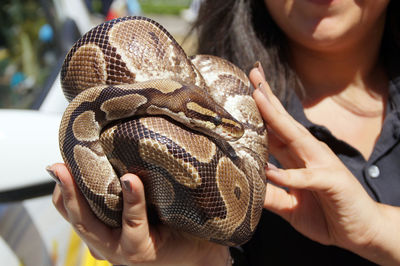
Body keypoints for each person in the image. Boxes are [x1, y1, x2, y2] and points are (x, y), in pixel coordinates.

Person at [48, 0, 400, 265]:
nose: (226, 129)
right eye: (215, 124)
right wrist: (205, 261)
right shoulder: (229, 96)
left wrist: (378, 229)